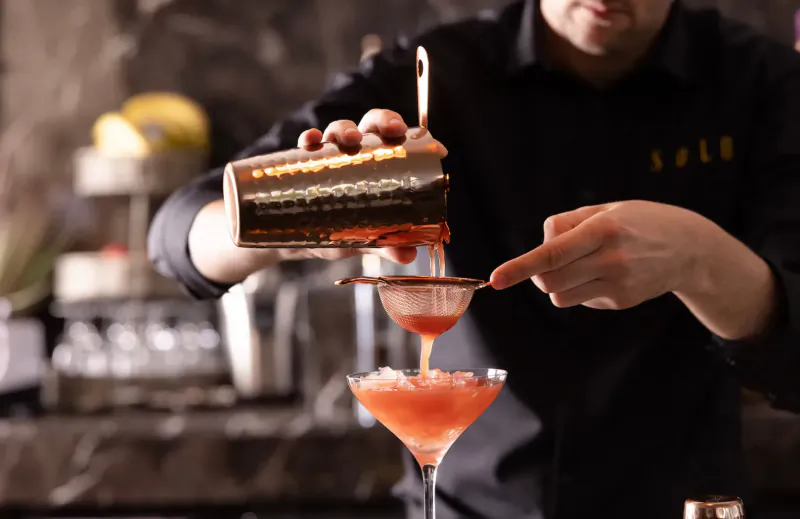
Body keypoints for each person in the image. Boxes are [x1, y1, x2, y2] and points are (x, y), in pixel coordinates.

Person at [148, 0, 800, 517]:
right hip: (466, 507)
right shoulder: (438, 71)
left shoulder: (761, 84)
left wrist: (699, 257)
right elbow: (178, 233)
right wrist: (295, 217)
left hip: (681, 505)